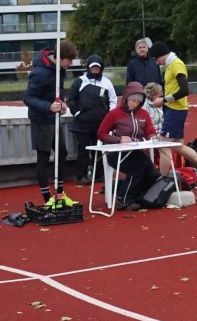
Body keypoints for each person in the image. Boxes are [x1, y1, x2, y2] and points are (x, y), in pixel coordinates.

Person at [23, 42, 78, 205]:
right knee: (44, 156)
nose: (70, 64)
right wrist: (49, 106)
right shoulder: (39, 73)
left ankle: (59, 193)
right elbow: (28, 98)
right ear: (59, 58)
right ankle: (47, 197)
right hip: (41, 120)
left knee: (62, 152)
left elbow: (57, 91)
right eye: (68, 61)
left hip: (54, 119)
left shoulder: (60, 70)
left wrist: (62, 103)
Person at [95, 81, 161, 210]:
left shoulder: (144, 114)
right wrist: (119, 139)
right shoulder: (114, 113)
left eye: (138, 101)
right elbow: (101, 134)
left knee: (153, 174)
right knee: (139, 166)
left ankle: (129, 192)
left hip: (137, 152)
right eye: (132, 100)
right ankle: (123, 199)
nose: (135, 104)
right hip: (116, 153)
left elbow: (149, 130)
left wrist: (153, 137)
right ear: (126, 98)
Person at [142, 82, 197, 183]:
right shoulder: (147, 106)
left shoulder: (174, 81)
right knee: (179, 147)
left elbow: (183, 91)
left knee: (164, 148)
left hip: (172, 116)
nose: (162, 93)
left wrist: (164, 100)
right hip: (176, 114)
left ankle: (161, 182)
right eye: (160, 92)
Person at [66, 55, 117, 184]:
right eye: (92, 67)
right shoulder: (79, 81)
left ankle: (99, 174)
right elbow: (71, 99)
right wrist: (77, 113)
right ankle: (81, 176)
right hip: (82, 123)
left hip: (101, 124)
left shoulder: (107, 82)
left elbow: (113, 100)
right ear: (88, 68)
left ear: (101, 68)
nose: (95, 69)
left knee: (99, 150)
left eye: (97, 67)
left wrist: (109, 117)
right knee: (83, 150)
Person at [149, 41, 190, 141]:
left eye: (156, 59)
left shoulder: (176, 64)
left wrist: (163, 100)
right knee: (178, 145)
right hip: (174, 109)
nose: (157, 63)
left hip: (175, 109)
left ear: (162, 54)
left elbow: (184, 91)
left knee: (163, 144)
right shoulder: (170, 65)